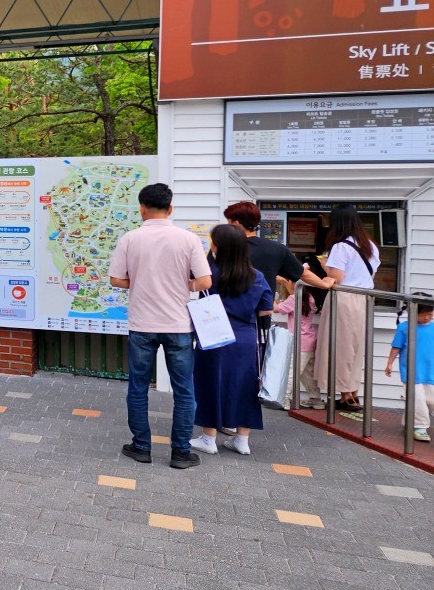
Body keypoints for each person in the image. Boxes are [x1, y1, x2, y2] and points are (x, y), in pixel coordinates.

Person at [108, 183, 212, 470]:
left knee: (138, 387)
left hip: (142, 324)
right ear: (170, 209)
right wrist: (183, 284)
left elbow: (116, 280)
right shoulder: (188, 239)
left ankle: (141, 447)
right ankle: (180, 452)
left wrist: (139, 281)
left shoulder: (130, 238)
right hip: (178, 324)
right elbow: (204, 282)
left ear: (142, 209)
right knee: (184, 390)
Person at [190, 224, 274, 456]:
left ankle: (209, 438)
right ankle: (242, 440)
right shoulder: (257, 276)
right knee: (245, 386)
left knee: (210, 383)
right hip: (245, 339)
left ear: (220, 247)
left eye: (213, 242)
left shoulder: (211, 275)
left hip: (214, 336)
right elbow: (266, 309)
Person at [313, 204, 380, 412]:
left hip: (344, 299)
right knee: (356, 347)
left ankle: (345, 396)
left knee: (340, 347)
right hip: (365, 299)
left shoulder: (340, 247)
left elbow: (336, 278)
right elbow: (371, 277)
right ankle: (352, 393)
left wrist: (324, 267)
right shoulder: (370, 245)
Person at [224, 201, 333, 296]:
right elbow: (303, 273)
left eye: (228, 223)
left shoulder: (223, 247)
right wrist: (324, 284)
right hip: (262, 310)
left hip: (228, 310)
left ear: (237, 224)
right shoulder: (276, 249)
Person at [385, 296, 433, 443]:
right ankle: (419, 426)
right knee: (417, 399)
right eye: (423, 314)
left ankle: (409, 421)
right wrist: (389, 363)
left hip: (429, 371)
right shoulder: (404, 328)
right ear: (412, 312)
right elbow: (396, 347)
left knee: (430, 400)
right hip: (411, 371)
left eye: (430, 314)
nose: (427, 317)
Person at [274, 287, 322, 408]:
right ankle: (315, 399)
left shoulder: (293, 299)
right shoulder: (310, 298)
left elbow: (275, 309)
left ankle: (284, 399)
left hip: (299, 341)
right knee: (307, 373)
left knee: (292, 371)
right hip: (310, 339)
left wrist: (272, 296)